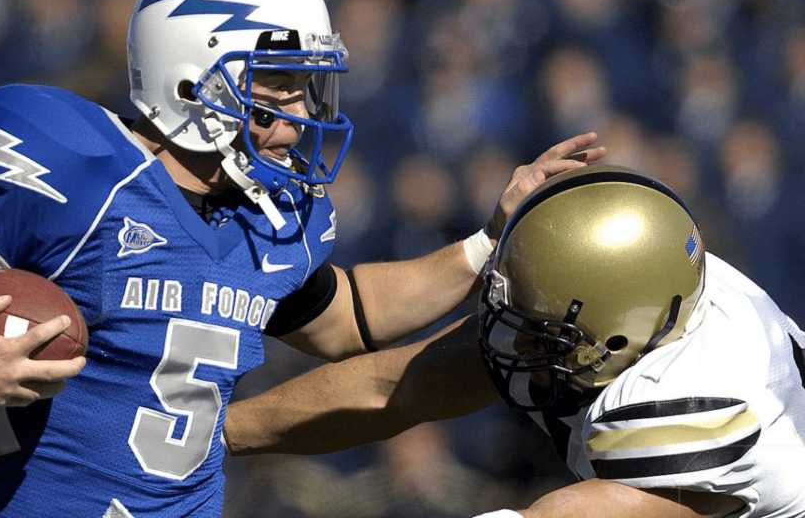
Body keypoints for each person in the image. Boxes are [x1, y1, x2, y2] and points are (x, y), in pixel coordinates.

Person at [0, 0, 603, 518]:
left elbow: (349, 317)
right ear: (190, 74)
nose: (301, 112)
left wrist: (487, 239)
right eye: (277, 83)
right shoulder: (79, 167)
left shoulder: (260, 212)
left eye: (309, 84)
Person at [223, 165, 805, 518]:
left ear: (618, 334)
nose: (511, 337)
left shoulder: (693, 402)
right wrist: (211, 434)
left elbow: (567, 515)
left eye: (542, 329)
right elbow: (393, 388)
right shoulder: (649, 294)